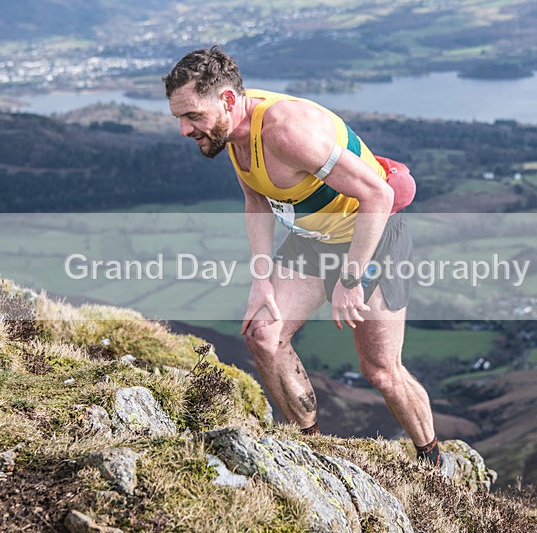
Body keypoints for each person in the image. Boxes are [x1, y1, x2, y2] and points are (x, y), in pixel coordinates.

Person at [164, 46, 453, 477]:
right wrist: (262, 280)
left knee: (381, 371)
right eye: (179, 118)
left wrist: (351, 278)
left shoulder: (286, 131)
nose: (185, 129)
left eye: (193, 117)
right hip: (313, 239)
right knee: (263, 335)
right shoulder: (229, 130)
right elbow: (256, 201)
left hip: (371, 239)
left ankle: (433, 459)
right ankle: (314, 451)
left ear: (227, 100)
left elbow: (379, 194)